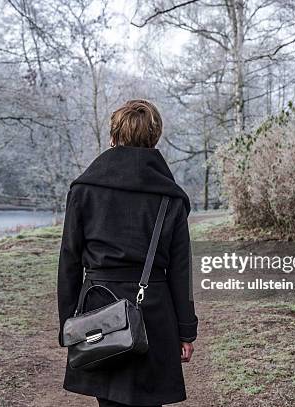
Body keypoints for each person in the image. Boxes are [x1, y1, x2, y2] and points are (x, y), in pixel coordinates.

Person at [57, 99, 198, 407]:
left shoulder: (84, 190)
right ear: (154, 138)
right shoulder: (170, 197)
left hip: (98, 311)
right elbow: (180, 271)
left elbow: (69, 262)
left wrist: (68, 324)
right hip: (155, 315)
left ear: (113, 137)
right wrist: (186, 331)